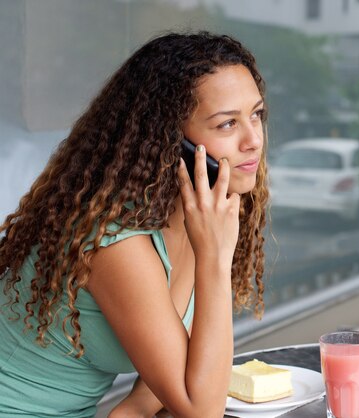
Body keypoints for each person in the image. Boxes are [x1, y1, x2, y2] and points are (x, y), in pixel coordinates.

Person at [0, 31, 269, 417]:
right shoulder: (114, 240)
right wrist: (215, 257)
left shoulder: (192, 218)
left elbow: (163, 383)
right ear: (170, 141)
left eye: (256, 115)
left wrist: (137, 407)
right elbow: (201, 409)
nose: (253, 140)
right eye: (227, 124)